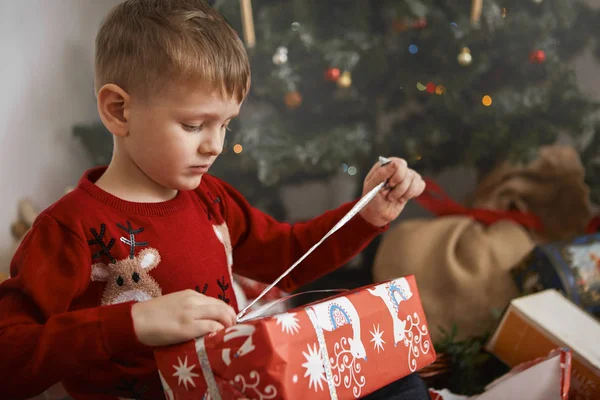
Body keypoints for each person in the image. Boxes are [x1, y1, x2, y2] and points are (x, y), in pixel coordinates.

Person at [0, 1, 427, 399]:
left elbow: (288, 254)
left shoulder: (211, 199)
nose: (215, 146)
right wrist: (133, 323)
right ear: (119, 111)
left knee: (399, 382)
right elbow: (10, 355)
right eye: (193, 125)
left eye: (225, 125)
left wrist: (365, 215)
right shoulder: (69, 228)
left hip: (233, 387)